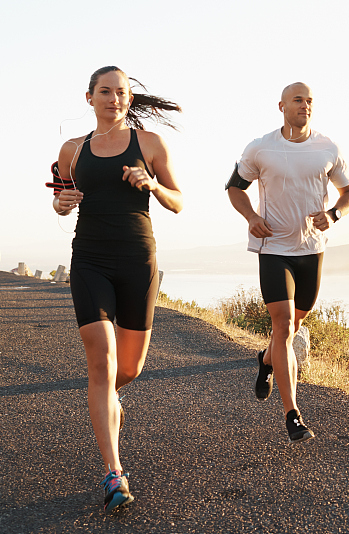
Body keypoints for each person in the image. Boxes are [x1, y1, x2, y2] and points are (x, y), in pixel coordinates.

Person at [51, 66, 183, 512]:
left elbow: (179, 200)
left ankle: (106, 401)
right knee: (101, 363)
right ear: (89, 97)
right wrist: (61, 203)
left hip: (137, 260)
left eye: (121, 92)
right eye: (104, 92)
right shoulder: (73, 150)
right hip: (89, 259)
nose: (113, 98)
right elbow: (61, 197)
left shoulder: (149, 144)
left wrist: (154, 185)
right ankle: (114, 473)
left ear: (129, 98)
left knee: (129, 368)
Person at [226, 82, 349, 444]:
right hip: (273, 248)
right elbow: (234, 187)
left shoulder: (327, 147)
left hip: (311, 250)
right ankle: (292, 415)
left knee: (294, 326)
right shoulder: (261, 147)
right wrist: (251, 217)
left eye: (310, 101)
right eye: (299, 100)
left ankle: (266, 361)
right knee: (281, 325)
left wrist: (334, 214)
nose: (306, 105)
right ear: (281, 105)